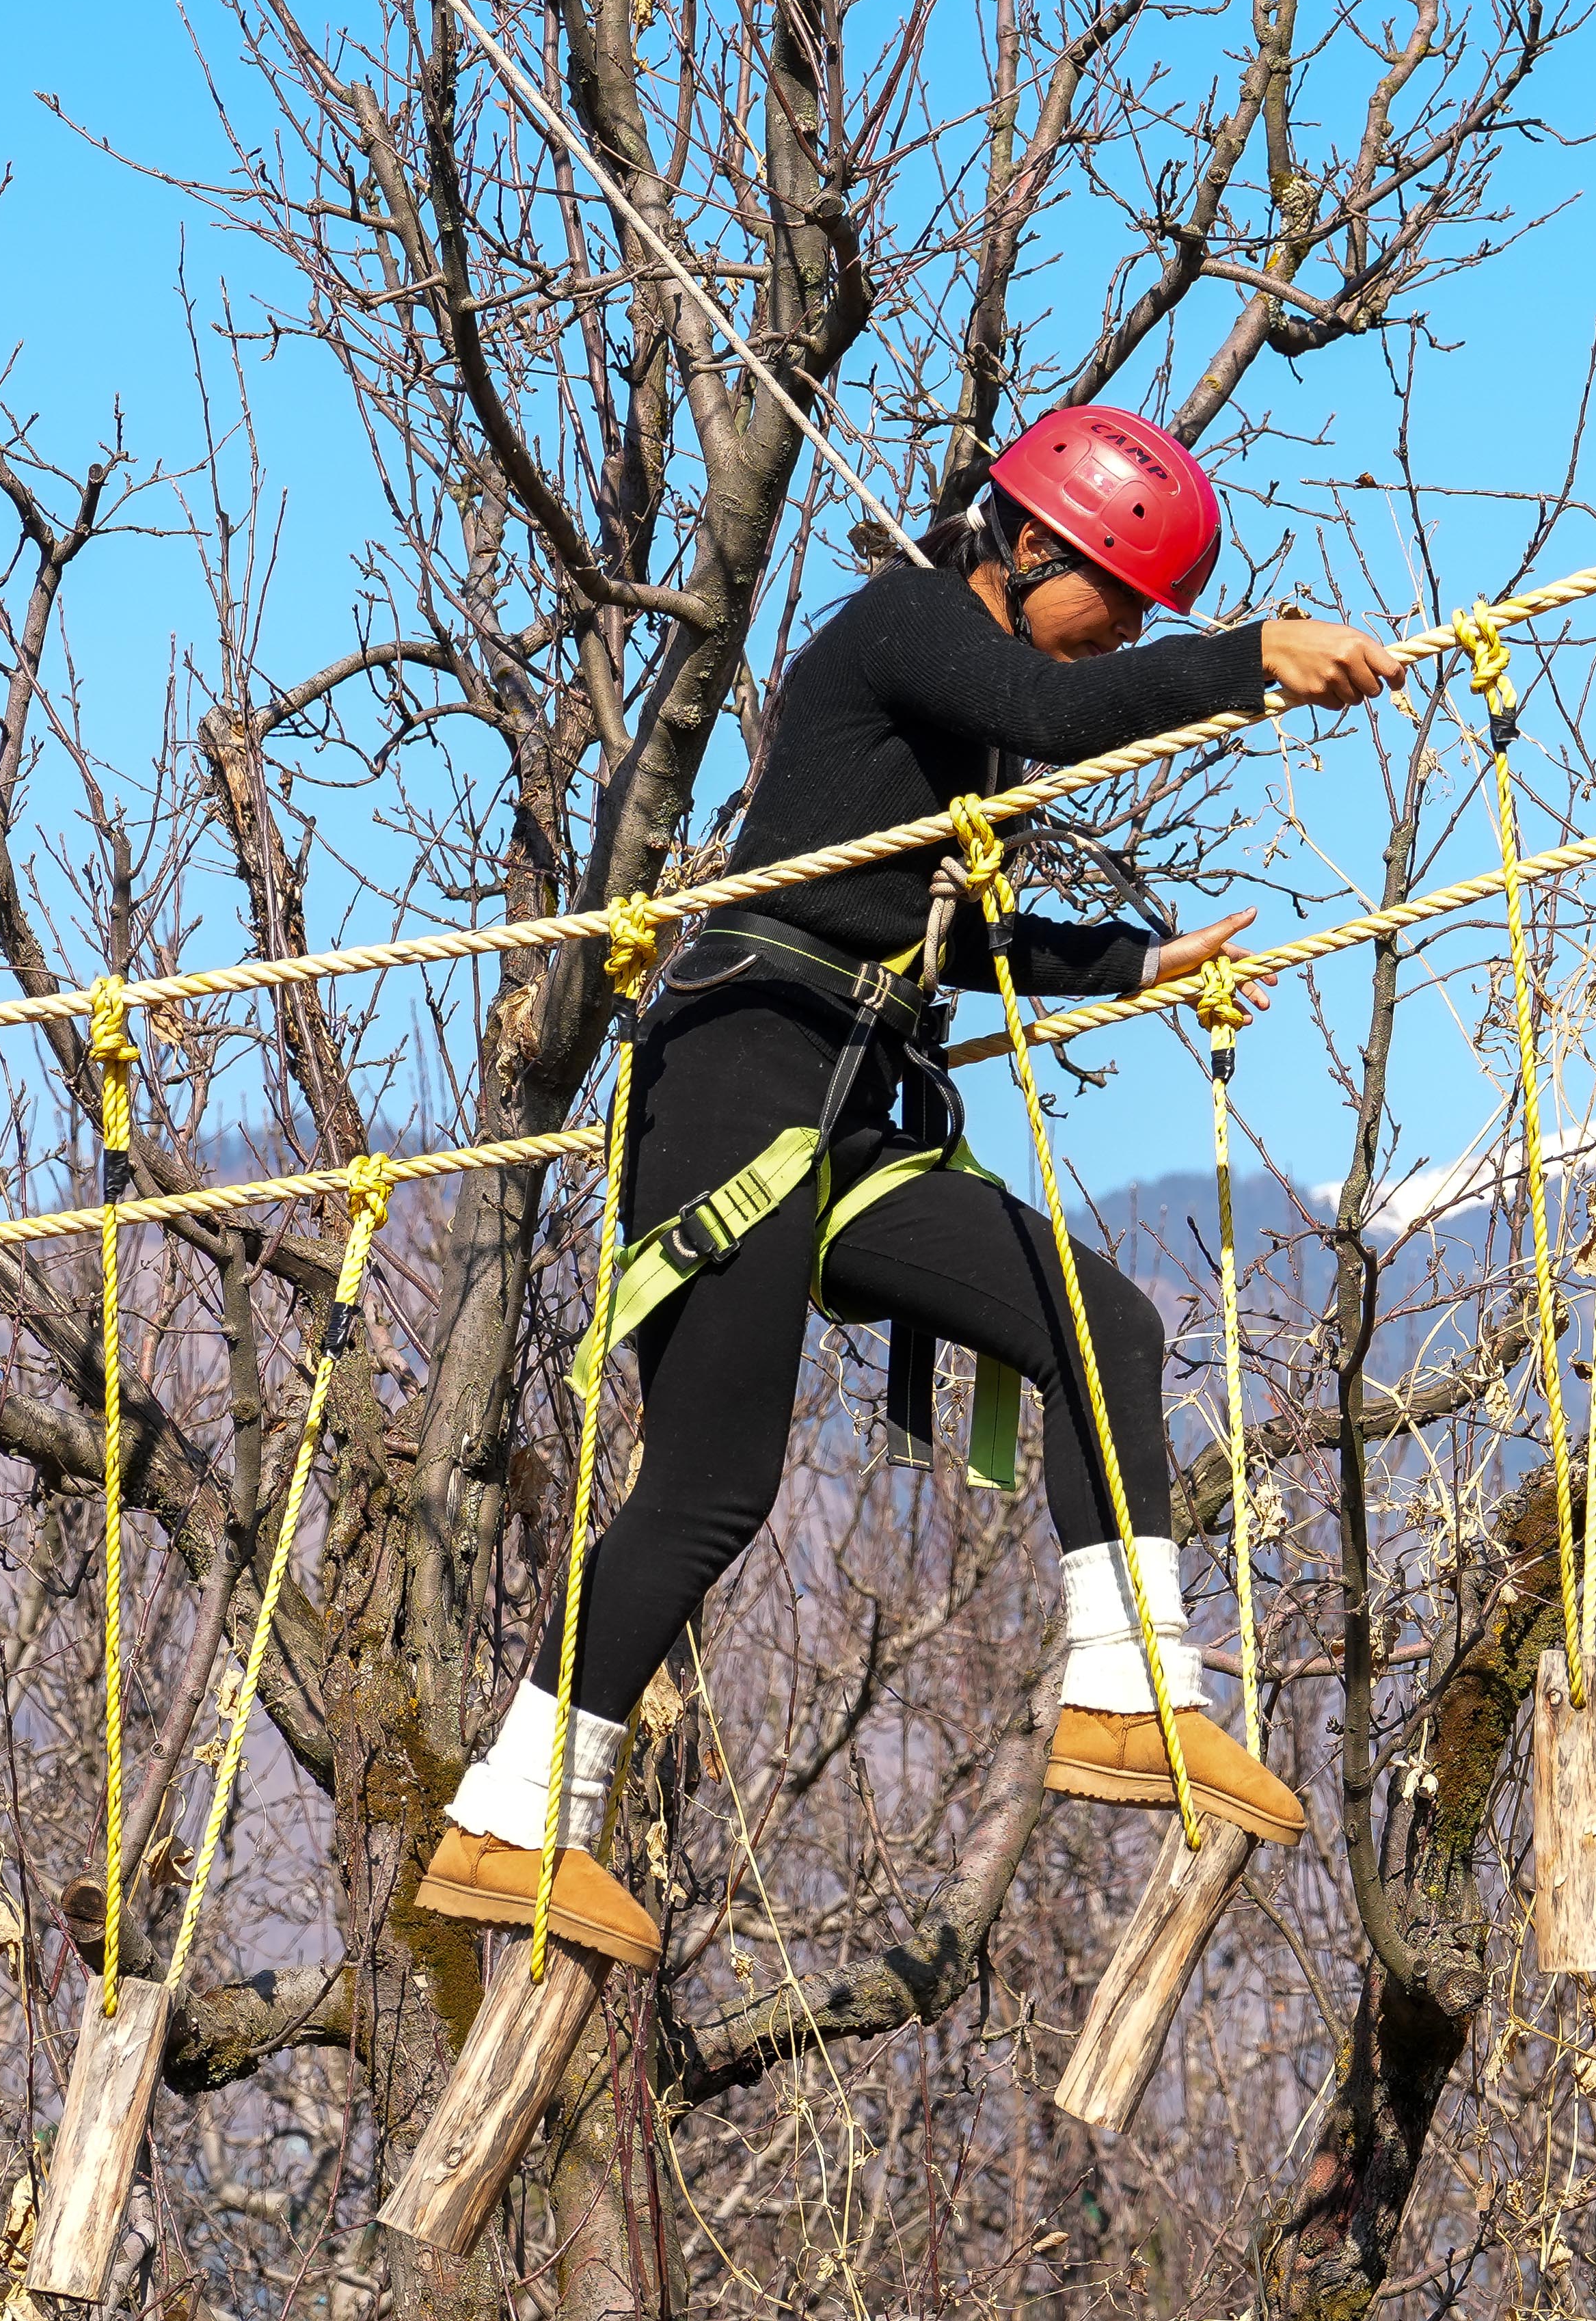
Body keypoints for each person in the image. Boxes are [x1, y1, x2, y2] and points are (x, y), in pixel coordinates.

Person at [414, 405, 1398, 1962]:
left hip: (848, 1106)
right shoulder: (907, 624)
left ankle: (1129, 1699)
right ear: (1028, 541)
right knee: (708, 1489)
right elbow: (1054, 715)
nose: (1128, 635)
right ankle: (512, 1822)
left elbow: (932, 933)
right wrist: (1246, 655)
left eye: (1150, 617)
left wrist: (1133, 960)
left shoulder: (973, 715)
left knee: (1102, 1327)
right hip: (737, 1087)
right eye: (1122, 601)